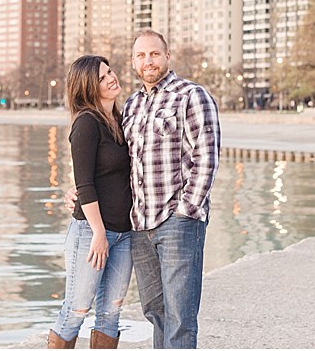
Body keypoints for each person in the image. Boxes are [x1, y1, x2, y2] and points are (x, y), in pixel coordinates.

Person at [66, 30, 221, 348]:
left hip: (177, 223)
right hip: (138, 227)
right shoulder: (132, 106)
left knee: (180, 318)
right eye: (140, 55)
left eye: (154, 54)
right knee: (155, 311)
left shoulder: (191, 95)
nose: (147, 61)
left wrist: (186, 211)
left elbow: (207, 158)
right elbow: (115, 162)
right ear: (134, 62)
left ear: (167, 56)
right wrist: (80, 189)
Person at [49, 56, 133, 349]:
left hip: (125, 234)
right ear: (87, 86)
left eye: (110, 71)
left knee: (111, 313)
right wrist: (98, 233)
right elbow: (84, 183)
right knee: (77, 309)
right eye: (101, 77)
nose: (111, 78)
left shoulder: (122, 120)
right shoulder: (86, 123)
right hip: (91, 232)